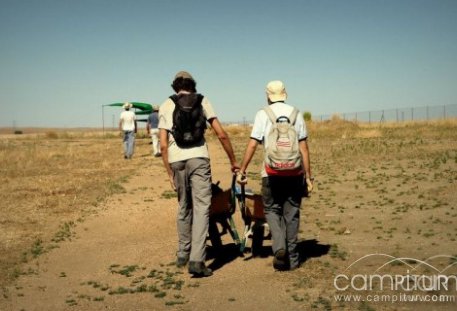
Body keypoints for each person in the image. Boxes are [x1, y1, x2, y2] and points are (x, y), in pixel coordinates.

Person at [158, 71, 239, 277]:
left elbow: (163, 145)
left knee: (184, 206)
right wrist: (232, 160)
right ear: (192, 85)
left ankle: (183, 253)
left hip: (177, 160)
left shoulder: (166, 105)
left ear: (175, 86)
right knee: (202, 207)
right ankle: (197, 260)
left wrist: (169, 173)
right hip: (199, 158)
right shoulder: (203, 101)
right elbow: (221, 133)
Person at [237, 80, 314, 271]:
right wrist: (309, 177)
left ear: (267, 95)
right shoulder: (297, 114)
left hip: (270, 173)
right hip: (295, 172)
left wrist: (242, 170)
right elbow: (304, 148)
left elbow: (253, 144)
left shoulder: (263, 114)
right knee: (292, 213)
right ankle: (294, 260)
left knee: (271, 210)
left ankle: (279, 247)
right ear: (285, 93)